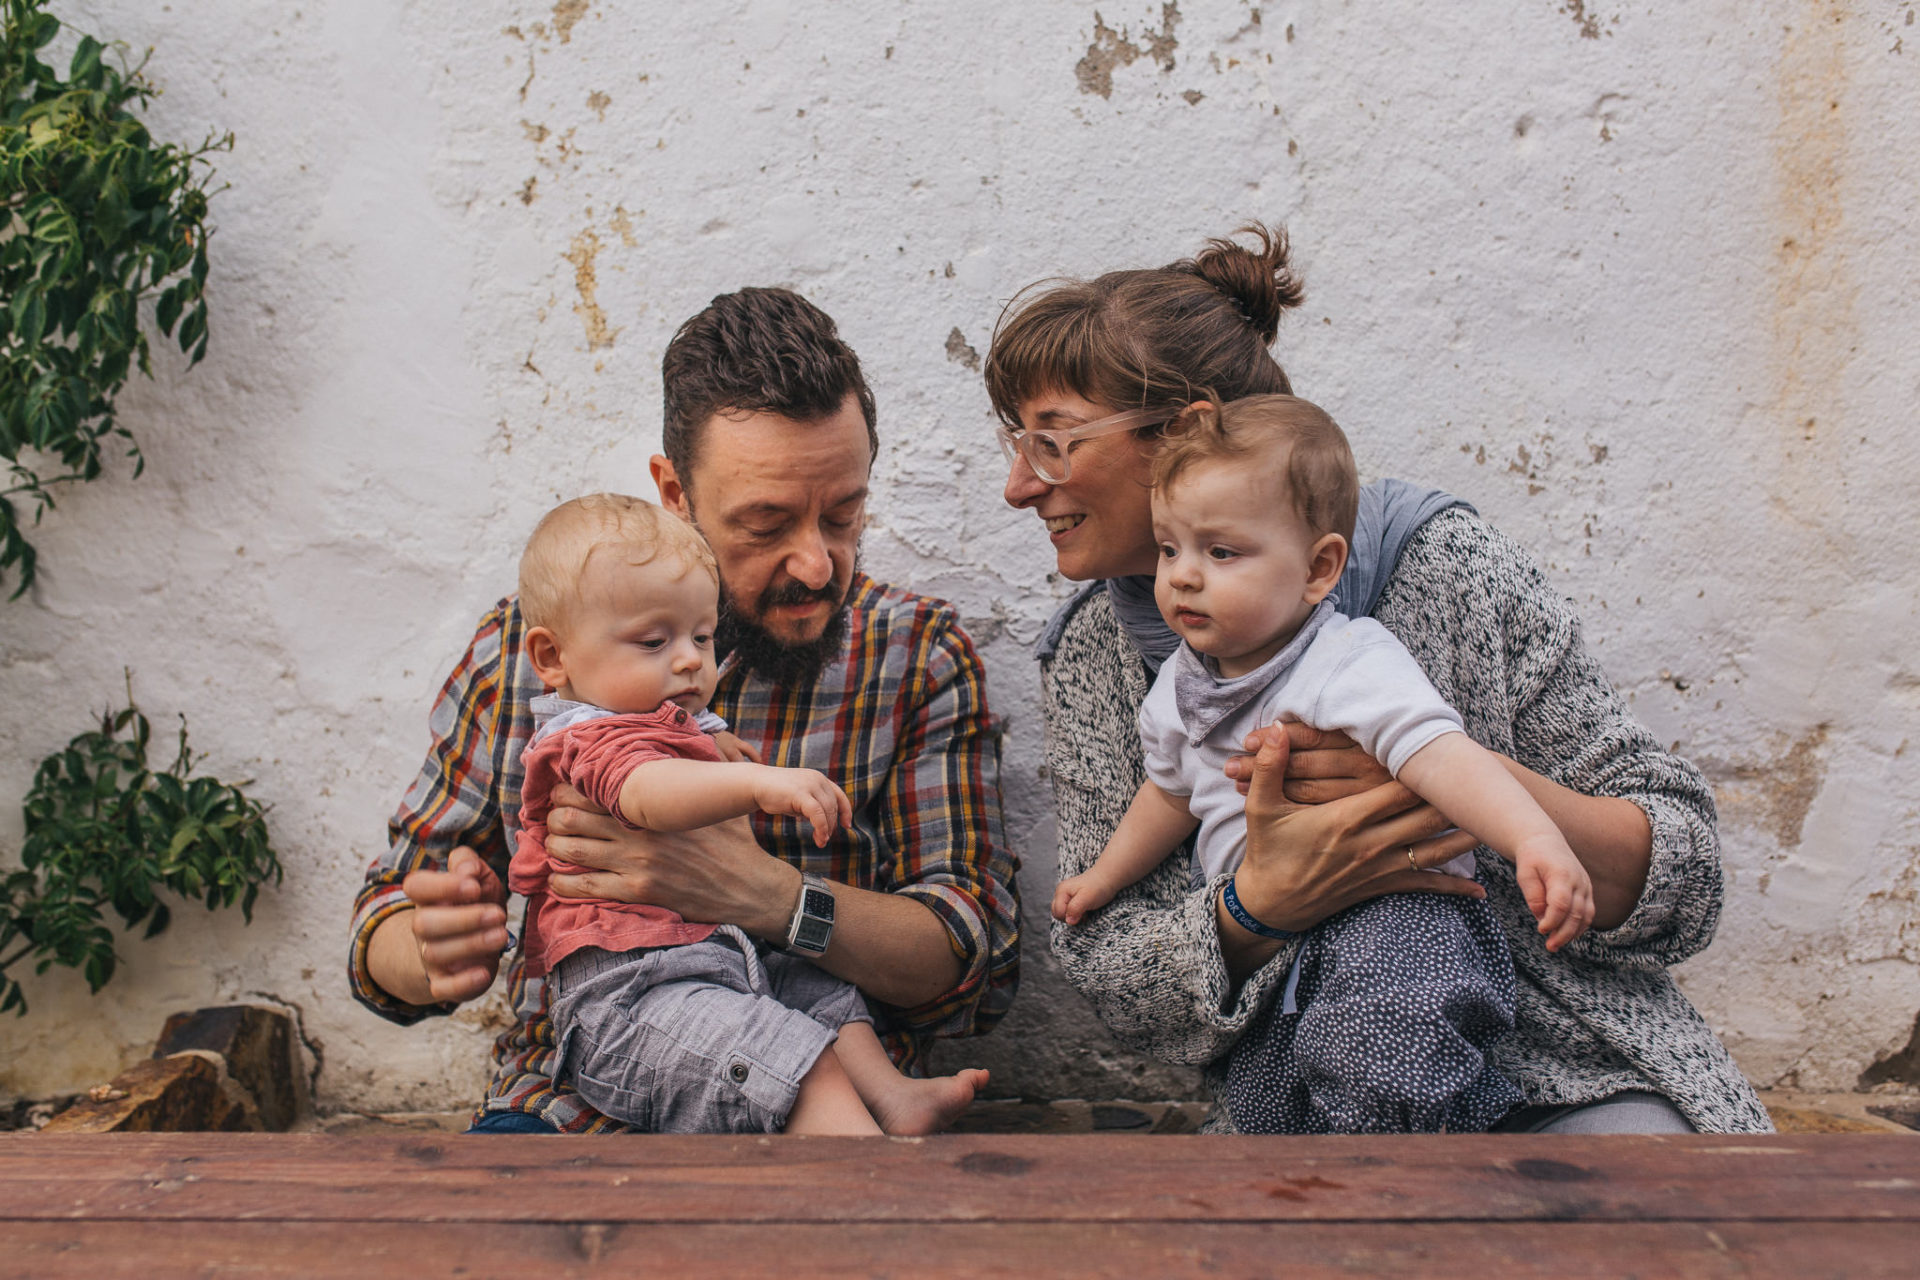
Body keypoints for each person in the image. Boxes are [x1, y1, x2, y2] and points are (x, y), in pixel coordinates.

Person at [989, 224, 1771, 1134]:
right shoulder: (1098, 657)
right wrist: (1261, 905)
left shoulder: (1441, 564)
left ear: (1186, 432)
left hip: (1575, 1069)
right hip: (1314, 1088)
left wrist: (1455, 787)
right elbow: (1107, 965)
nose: (1018, 485)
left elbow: (1688, 873)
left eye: (1052, 443)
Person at [350, 287, 1019, 1133]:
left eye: (843, 515)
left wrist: (771, 897)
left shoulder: (914, 656)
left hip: (822, 1121)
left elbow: (971, 963)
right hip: (567, 1118)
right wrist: (431, 947)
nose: (816, 563)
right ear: (674, 492)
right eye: (765, 523)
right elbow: (382, 928)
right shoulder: (533, 650)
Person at [1051, 394, 1594, 1133]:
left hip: (1397, 917)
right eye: (1169, 548)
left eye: (1220, 552)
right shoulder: (1180, 686)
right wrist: (1104, 876)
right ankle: (1335, 1194)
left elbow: (1442, 757)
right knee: (1275, 1101)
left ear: (1319, 569)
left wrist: (1534, 838)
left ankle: (1408, 1186)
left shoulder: (1345, 663)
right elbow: (1170, 794)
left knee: (1384, 1060)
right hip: (1287, 952)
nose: (1182, 576)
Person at [506, 493, 988, 1134]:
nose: (688, 659)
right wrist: (753, 781)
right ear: (552, 658)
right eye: (654, 641)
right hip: (630, 997)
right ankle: (866, 1172)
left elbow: (682, 755)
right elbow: (646, 792)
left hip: (715, 960)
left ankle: (893, 1096)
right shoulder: (588, 736)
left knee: (816, 986)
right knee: (788, 1057)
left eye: (702, 637)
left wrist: (720, 753)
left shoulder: (667, 718)